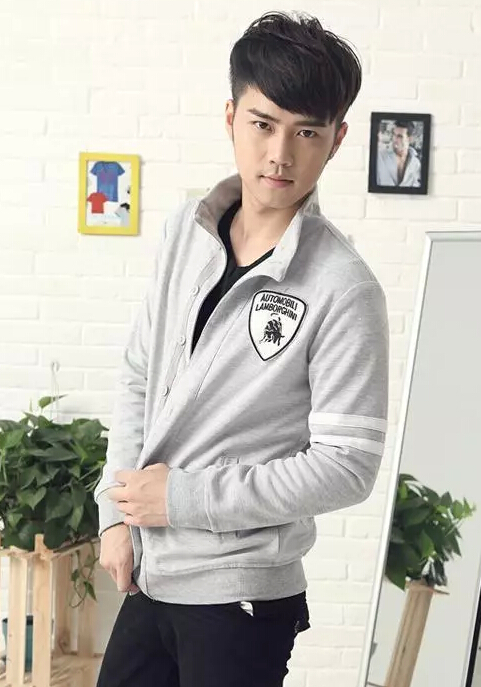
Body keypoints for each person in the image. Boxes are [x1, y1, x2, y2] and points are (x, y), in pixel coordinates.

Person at [94, 10, 389, 687]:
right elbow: (140, 375)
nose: (280, 154)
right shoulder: (185, 231)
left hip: (240, 596)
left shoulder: (344, 287)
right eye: (262, 124)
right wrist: (116, 514)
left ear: (337, 140)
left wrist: (182, 499)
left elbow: (346, 466)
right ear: (230, 117)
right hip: (153, 572)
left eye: (306, 132)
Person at [376, 120, 422, 187]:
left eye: (400, 136)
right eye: (394, 134)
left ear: (409, 139)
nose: (395, 139)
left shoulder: (415, 163)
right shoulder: (381, 156)